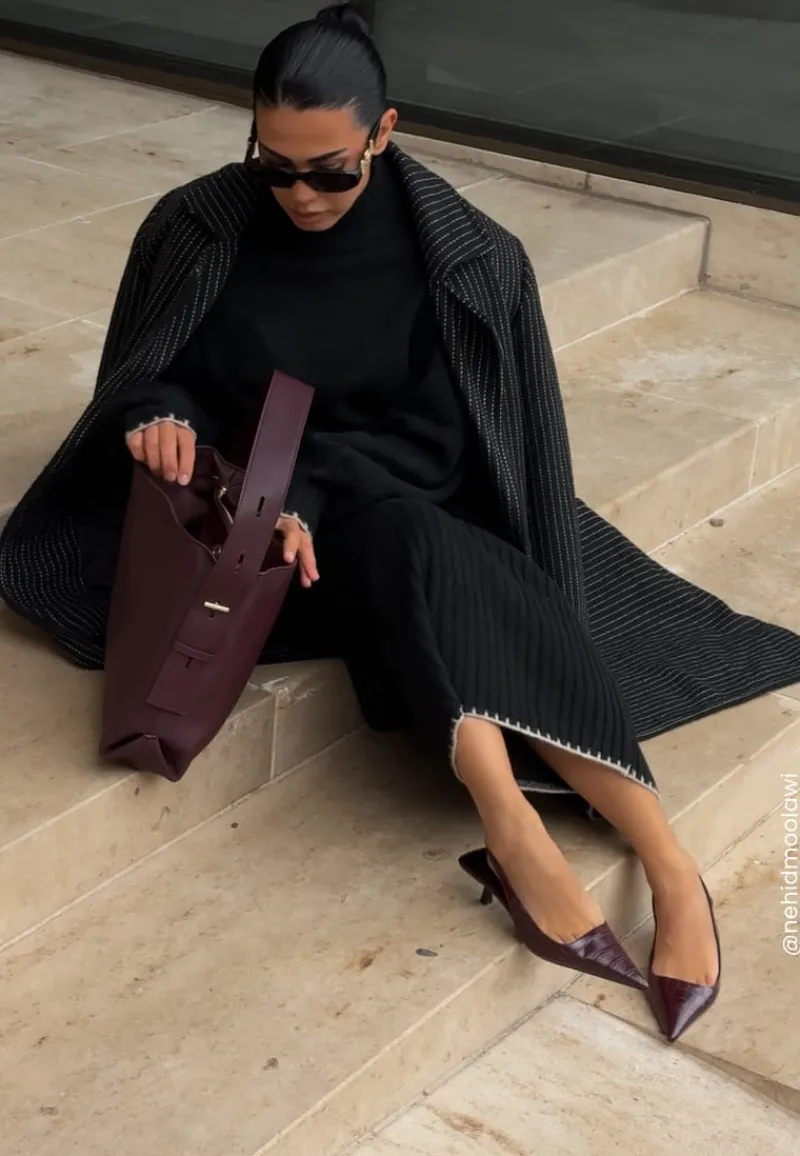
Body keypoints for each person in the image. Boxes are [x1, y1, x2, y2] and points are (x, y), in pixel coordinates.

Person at [2, 2, 800, 1042]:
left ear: (383, 131)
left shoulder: (463, 257)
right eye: (274, 165)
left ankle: (661, 862)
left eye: (329, 171)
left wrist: (310, 493)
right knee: (414, 554)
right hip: (245, 522)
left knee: (415, 541)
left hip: (396, 494)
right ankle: (517, 828)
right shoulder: (198, 224)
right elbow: (152, 371)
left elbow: (444, 446)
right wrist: (162, 419)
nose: (299, 194)